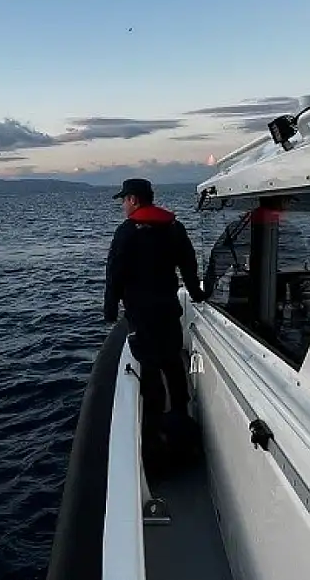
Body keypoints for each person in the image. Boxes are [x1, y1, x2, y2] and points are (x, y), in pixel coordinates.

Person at [103, 178, 208, 476]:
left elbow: (115, 273)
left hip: (141, 314)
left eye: (124, 200)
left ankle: (156, 426)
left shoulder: (126, 233)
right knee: (173, 360)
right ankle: (180, 414)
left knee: (149, 366)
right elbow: (188, 264)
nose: (123, 205)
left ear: (134, 200)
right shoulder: (173, 227)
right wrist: (196, 293)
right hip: (168, 309)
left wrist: (110, 310)